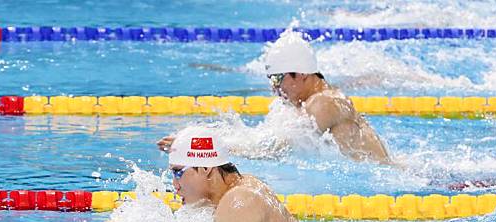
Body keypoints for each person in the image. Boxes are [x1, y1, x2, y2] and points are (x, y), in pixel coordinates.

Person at [72, 126, 339, 222]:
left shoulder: (241, 200)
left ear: (207, 169)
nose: (174, 184)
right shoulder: (231, 190)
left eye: (179, 172)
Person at [158, 31, 392, 164]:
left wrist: (197, 148)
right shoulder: (311, 102)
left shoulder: (323, 103)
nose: (275, 89)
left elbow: (273, 150)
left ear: (299, 74)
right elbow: (263, 139)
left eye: (277, 80)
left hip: (387, 176)